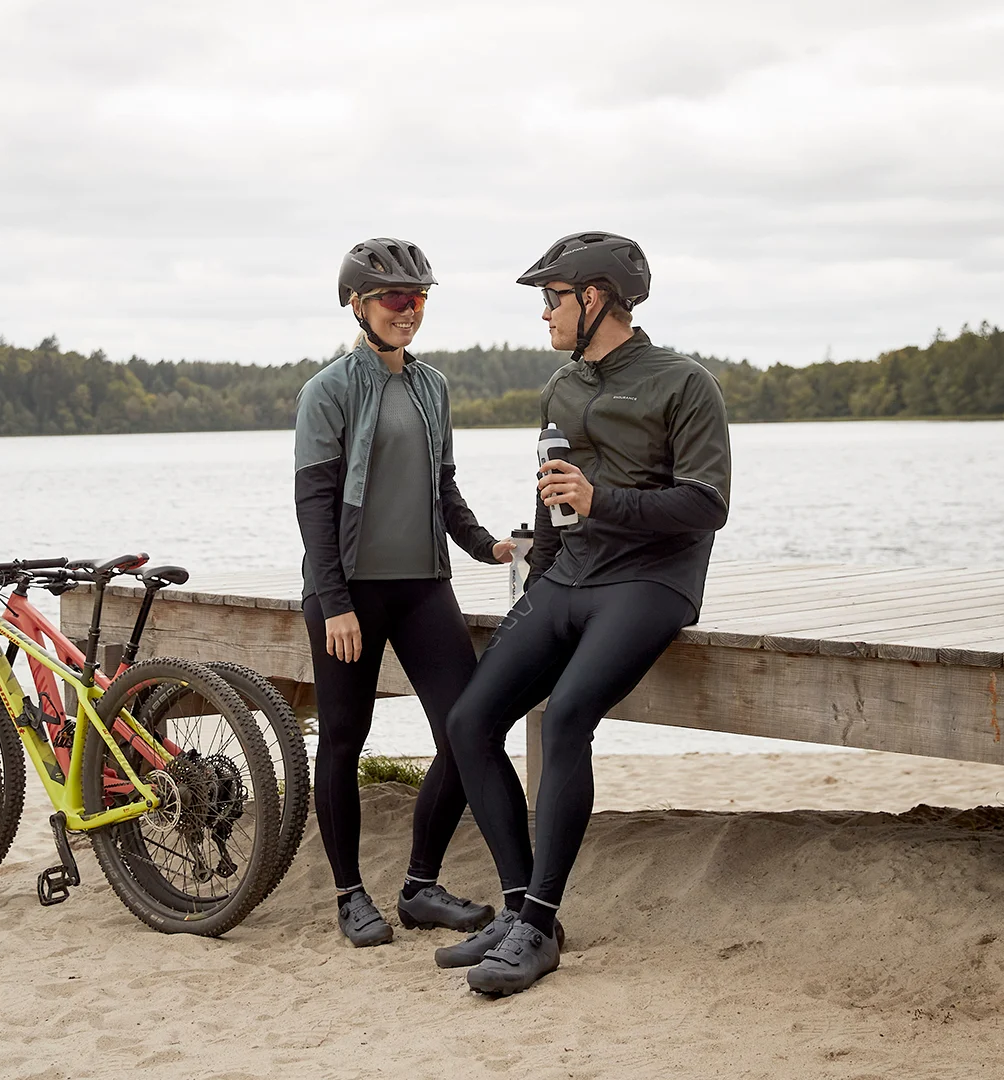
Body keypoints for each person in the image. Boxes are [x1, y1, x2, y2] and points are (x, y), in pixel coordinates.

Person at [440, 232, 732, 995]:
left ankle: (539, 924)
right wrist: (536, 556)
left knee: (567, 714)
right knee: (470, 721)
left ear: (593, 298)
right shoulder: (561, 385)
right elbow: (552, 489)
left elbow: (707, 505)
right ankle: (519, 909)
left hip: (651, 580)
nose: (544, 314)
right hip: (569, 575)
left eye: (552, 298)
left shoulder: (684, 383)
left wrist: (605, 501)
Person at [294, 237, 519, 947]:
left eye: (420, 298)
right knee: (343, 738)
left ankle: (420, 886)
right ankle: (348, 895)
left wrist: (488, 546)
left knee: (468, 729)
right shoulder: (327, 390)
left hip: (424, 586)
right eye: (395, 298)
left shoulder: (433, 387)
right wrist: (334, 603)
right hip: (350, 593)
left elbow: (443, 490)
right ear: (357, 304)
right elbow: (315, 507)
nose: (409, 310)